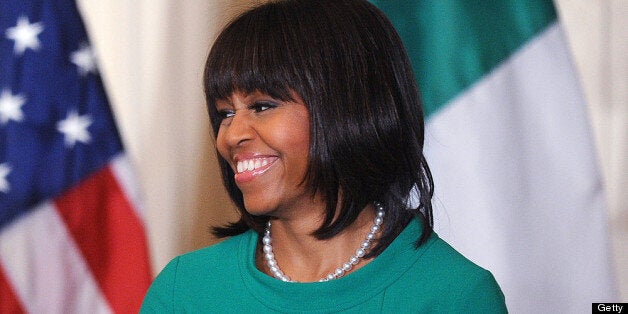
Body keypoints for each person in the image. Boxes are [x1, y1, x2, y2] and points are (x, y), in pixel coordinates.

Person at [141, 0, 507, 312]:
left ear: (350, 108)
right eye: (225, 113)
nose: (231, 136)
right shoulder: (184, 293)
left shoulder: (455, 297)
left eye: (263, 106)